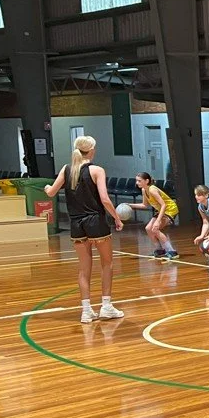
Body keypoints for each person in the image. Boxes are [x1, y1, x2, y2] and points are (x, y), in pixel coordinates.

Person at [44, 135, 124, 324]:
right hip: (95, 221)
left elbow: (51, 192)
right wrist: (117, 217)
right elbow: (104, 199)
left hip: (76, 223)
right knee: (107, 264)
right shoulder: (97, 170)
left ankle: (86, 311)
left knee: (84, 268)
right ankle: (106, 306)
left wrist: (47, 187)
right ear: (92, 150)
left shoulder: (66, 170)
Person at [128, 172, 179, 260]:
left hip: (170, 209)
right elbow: (144, 205)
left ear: (146, 181)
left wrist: (158, 221)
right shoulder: (144, 190)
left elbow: (163, 205)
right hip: (162, 210)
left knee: (155, 229)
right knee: (148, 228)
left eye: (139, 181)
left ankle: (172, 251)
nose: (137, 183)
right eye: (137, 181)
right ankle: (160, 250)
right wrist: (129, 205)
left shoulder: (152, 189)